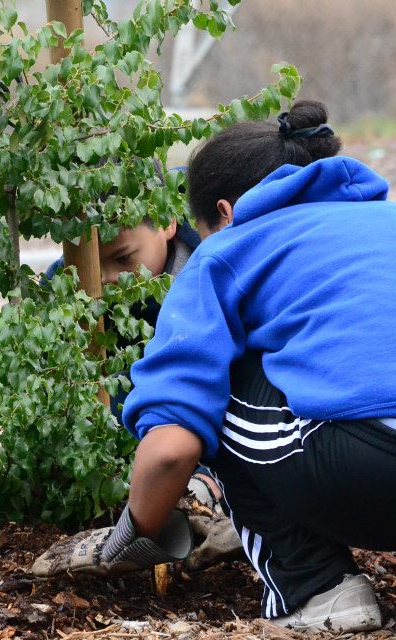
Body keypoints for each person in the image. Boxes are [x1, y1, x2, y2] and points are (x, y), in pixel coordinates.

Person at [33, 100, 396, 633]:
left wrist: (131, 539)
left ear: (223, 215)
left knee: (214, 386)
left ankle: (316, 589)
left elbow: (172, 449)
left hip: (372, 469)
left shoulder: (224, 252)